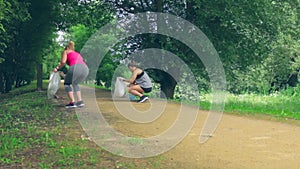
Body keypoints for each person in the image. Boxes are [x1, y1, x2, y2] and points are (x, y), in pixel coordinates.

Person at [53, 41, 89, 108]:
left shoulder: (66, 51)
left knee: (67, 84)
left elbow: (63, 62)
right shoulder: (77, 53)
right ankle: (80, 101)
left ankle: (72, 102)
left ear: (67, 47)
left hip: (75, 67)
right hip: (85, 68)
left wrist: (57, 68)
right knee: (75, 83)